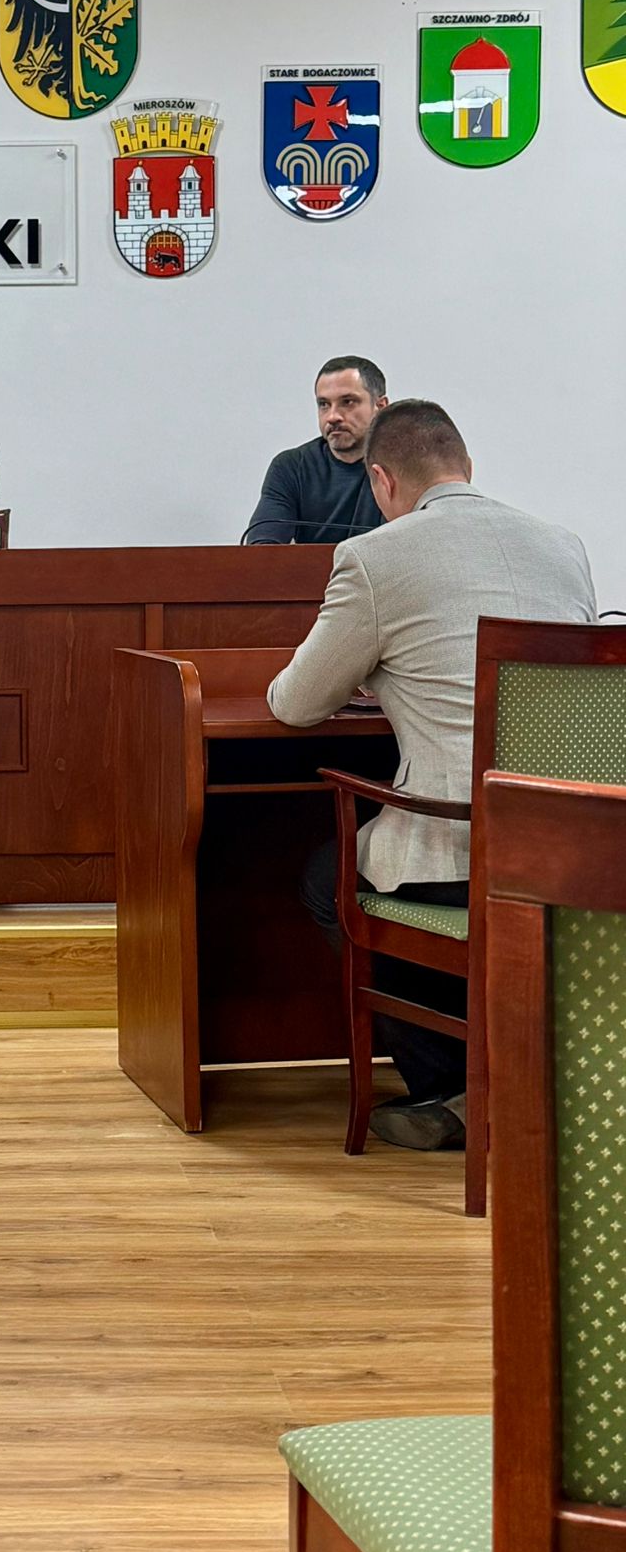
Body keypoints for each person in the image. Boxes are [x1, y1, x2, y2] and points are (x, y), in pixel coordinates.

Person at [268, 400, 596, 1150]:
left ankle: (452, 1085)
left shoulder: (373, 556)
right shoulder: (564, 545)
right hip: (571, 842)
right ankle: (522, 1077)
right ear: (467, 468)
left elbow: (296, 704)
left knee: (328, 879)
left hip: (462, 844)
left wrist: (376, 671)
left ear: (381, 481)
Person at [245, 356, 389, 544]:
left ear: (380, 407)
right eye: (324, 404)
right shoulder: (292, 467)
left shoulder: (406, 465)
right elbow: (262, 547)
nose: (332, 416)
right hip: (312, 565)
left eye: (348, 402)